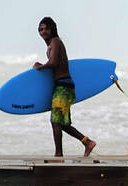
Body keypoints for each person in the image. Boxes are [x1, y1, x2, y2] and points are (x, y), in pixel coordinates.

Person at [33, 17, 96, 158]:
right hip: (62, 86)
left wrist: (40, 67)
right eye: (41, 29)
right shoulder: (50, 46)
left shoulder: (55, 41)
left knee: (55, 121)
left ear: (52, 29)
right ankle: (88, 142)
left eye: (46, 28)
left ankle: (58, 155)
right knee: (62, 124)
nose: (43, 31)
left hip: (63, 87)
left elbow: (54, 62)